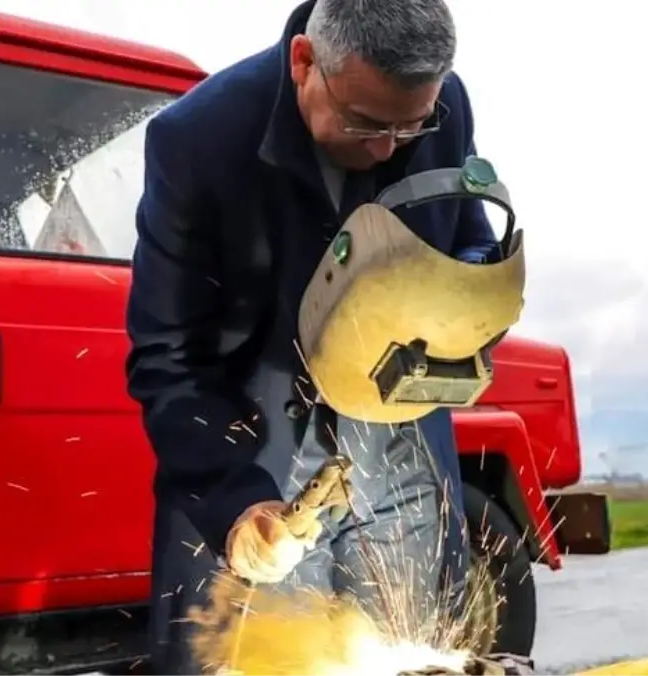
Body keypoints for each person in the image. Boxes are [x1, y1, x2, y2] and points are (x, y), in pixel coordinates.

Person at [124, 0, 500, 673]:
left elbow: (469, 238)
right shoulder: (197, 141)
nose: (388, 147)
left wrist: (467, 301)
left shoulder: (445, 108)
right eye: (365, 123)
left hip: (402, 457)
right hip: (254, 463)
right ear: (305, 62)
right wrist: (238, 508)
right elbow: (168, 356)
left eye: (409, 127)